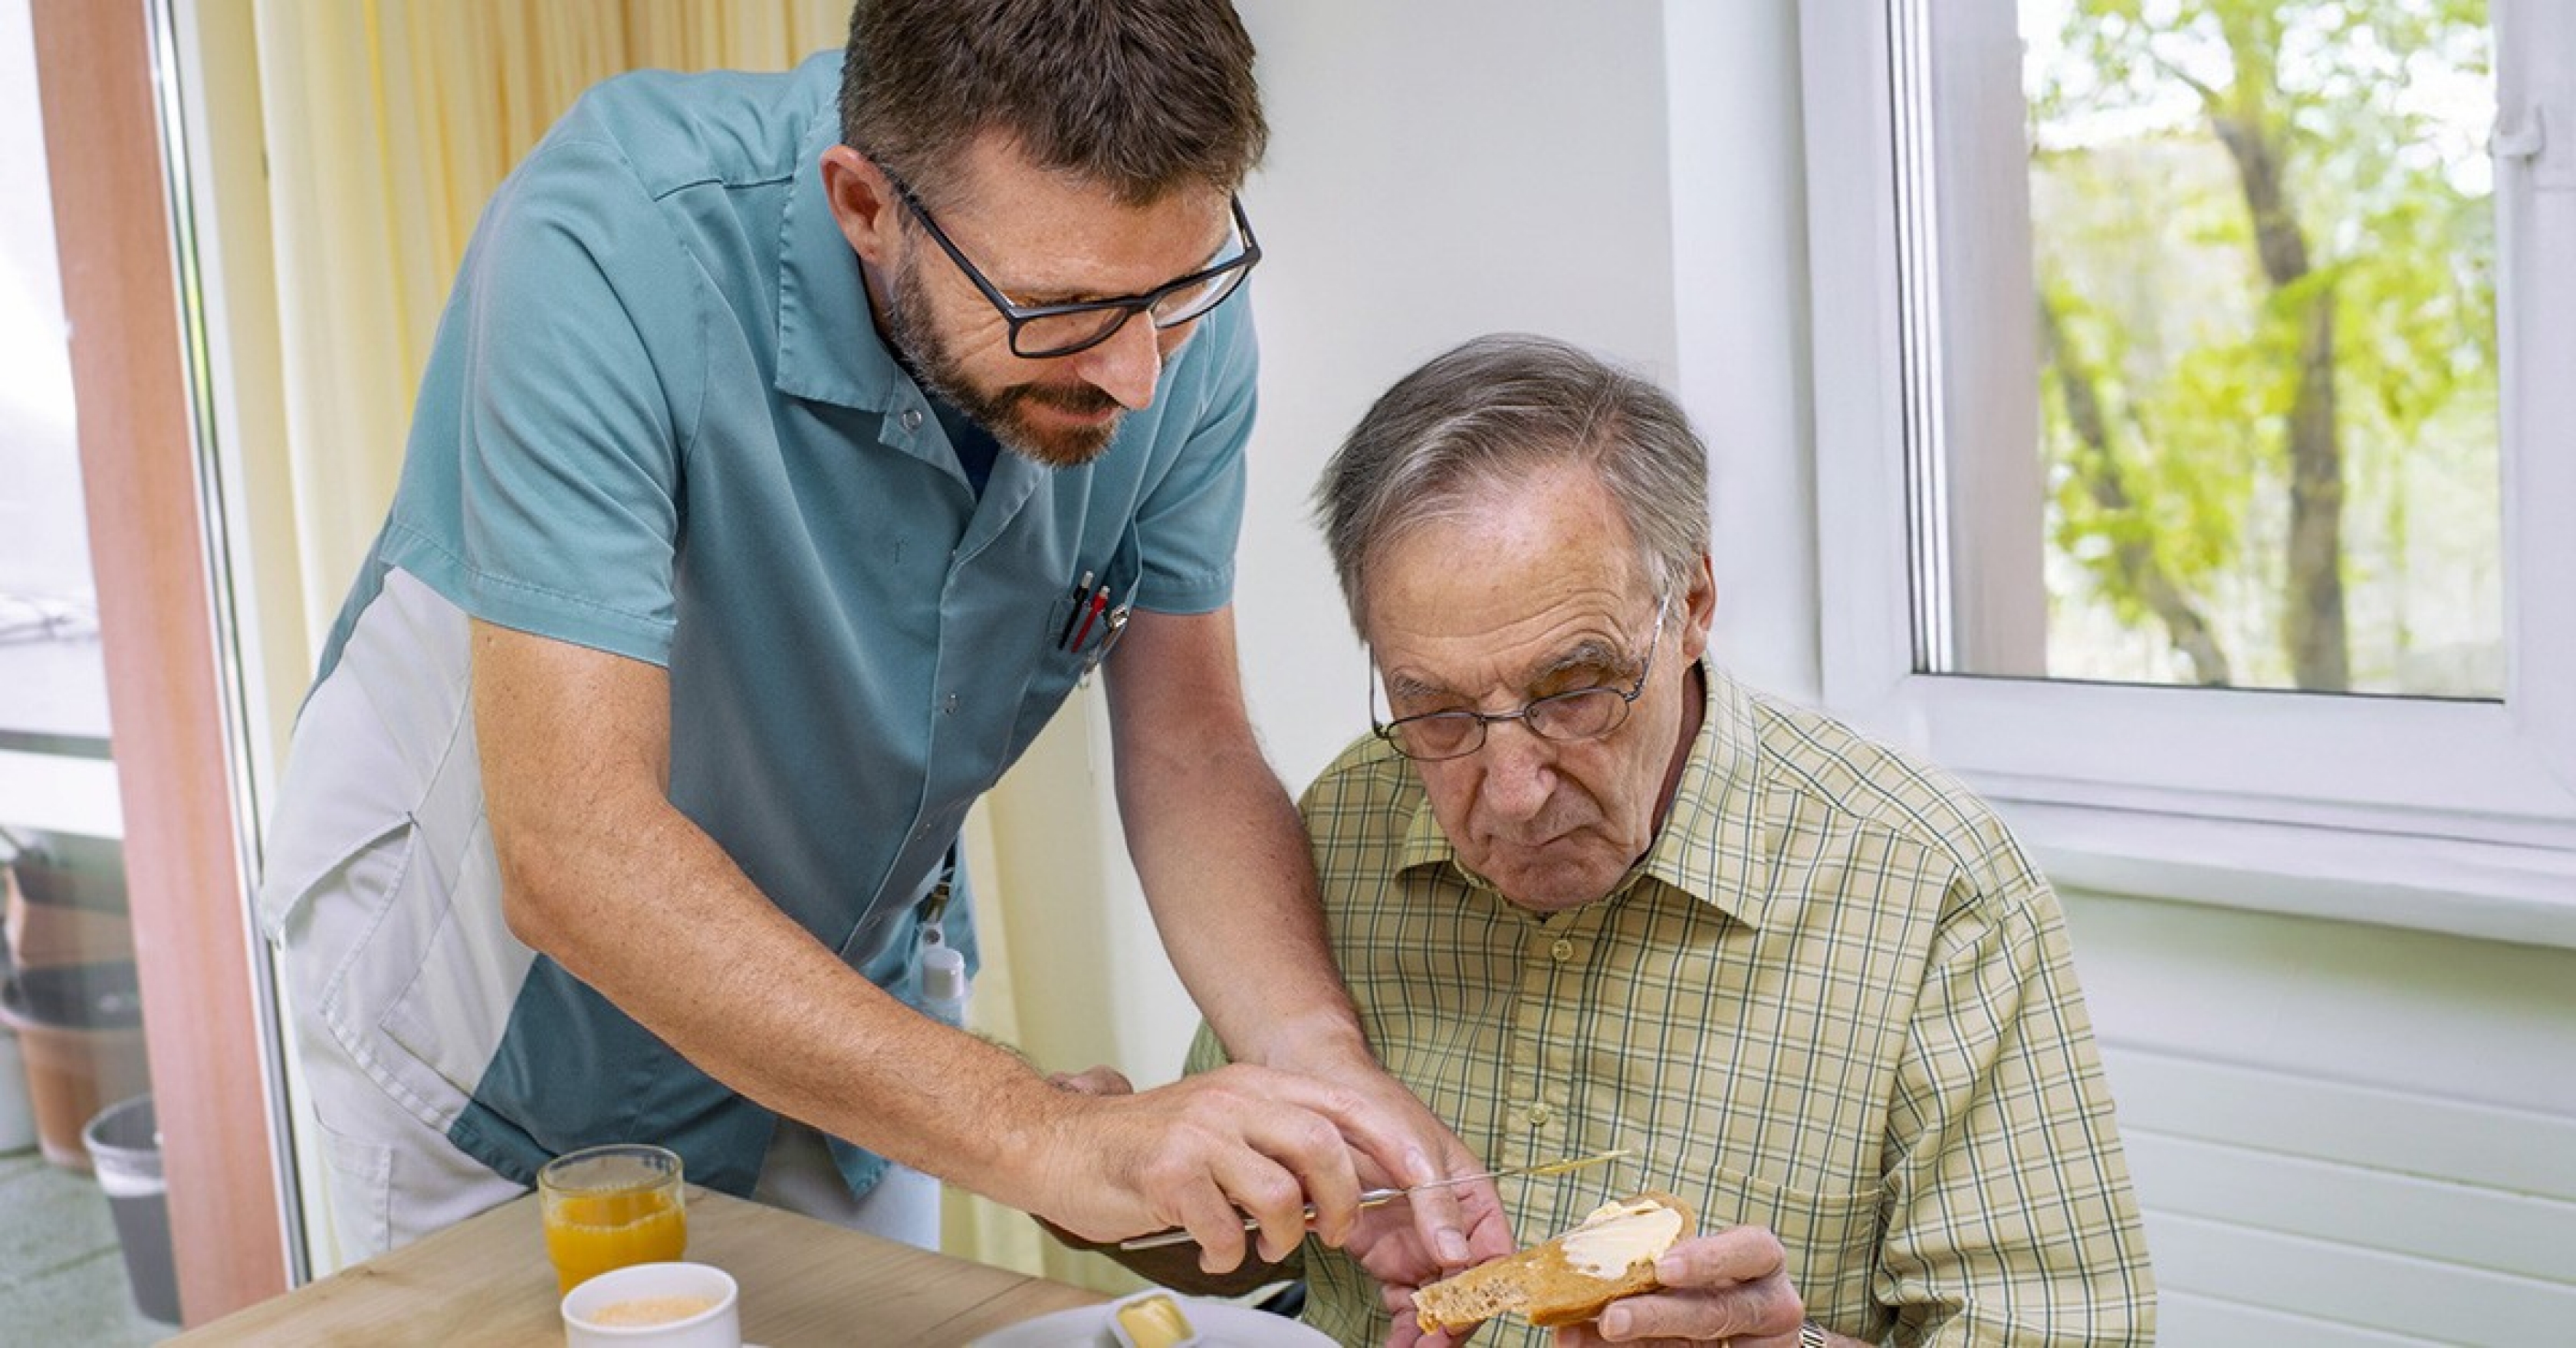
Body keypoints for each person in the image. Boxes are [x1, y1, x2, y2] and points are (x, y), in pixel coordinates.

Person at [253, 0, 1495, 1274]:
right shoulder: (611, 238)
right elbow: (574, 845)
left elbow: (1186, 744)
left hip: (850, 990)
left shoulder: (1159, 308)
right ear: (863, 205)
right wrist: (1049, 1137)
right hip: (501, 1022)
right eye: (1061, 310)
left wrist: (1324, 1070)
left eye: (1173, 293)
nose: (1137, 374)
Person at [1156, 334, 2156, 1344]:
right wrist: (1097, 1156)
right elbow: (1219, 1222)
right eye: (1440, 711)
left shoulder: (1932, 888)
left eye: (1575, 690)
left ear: (1692, 605)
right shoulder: (1344, 822)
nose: (1511, 793)